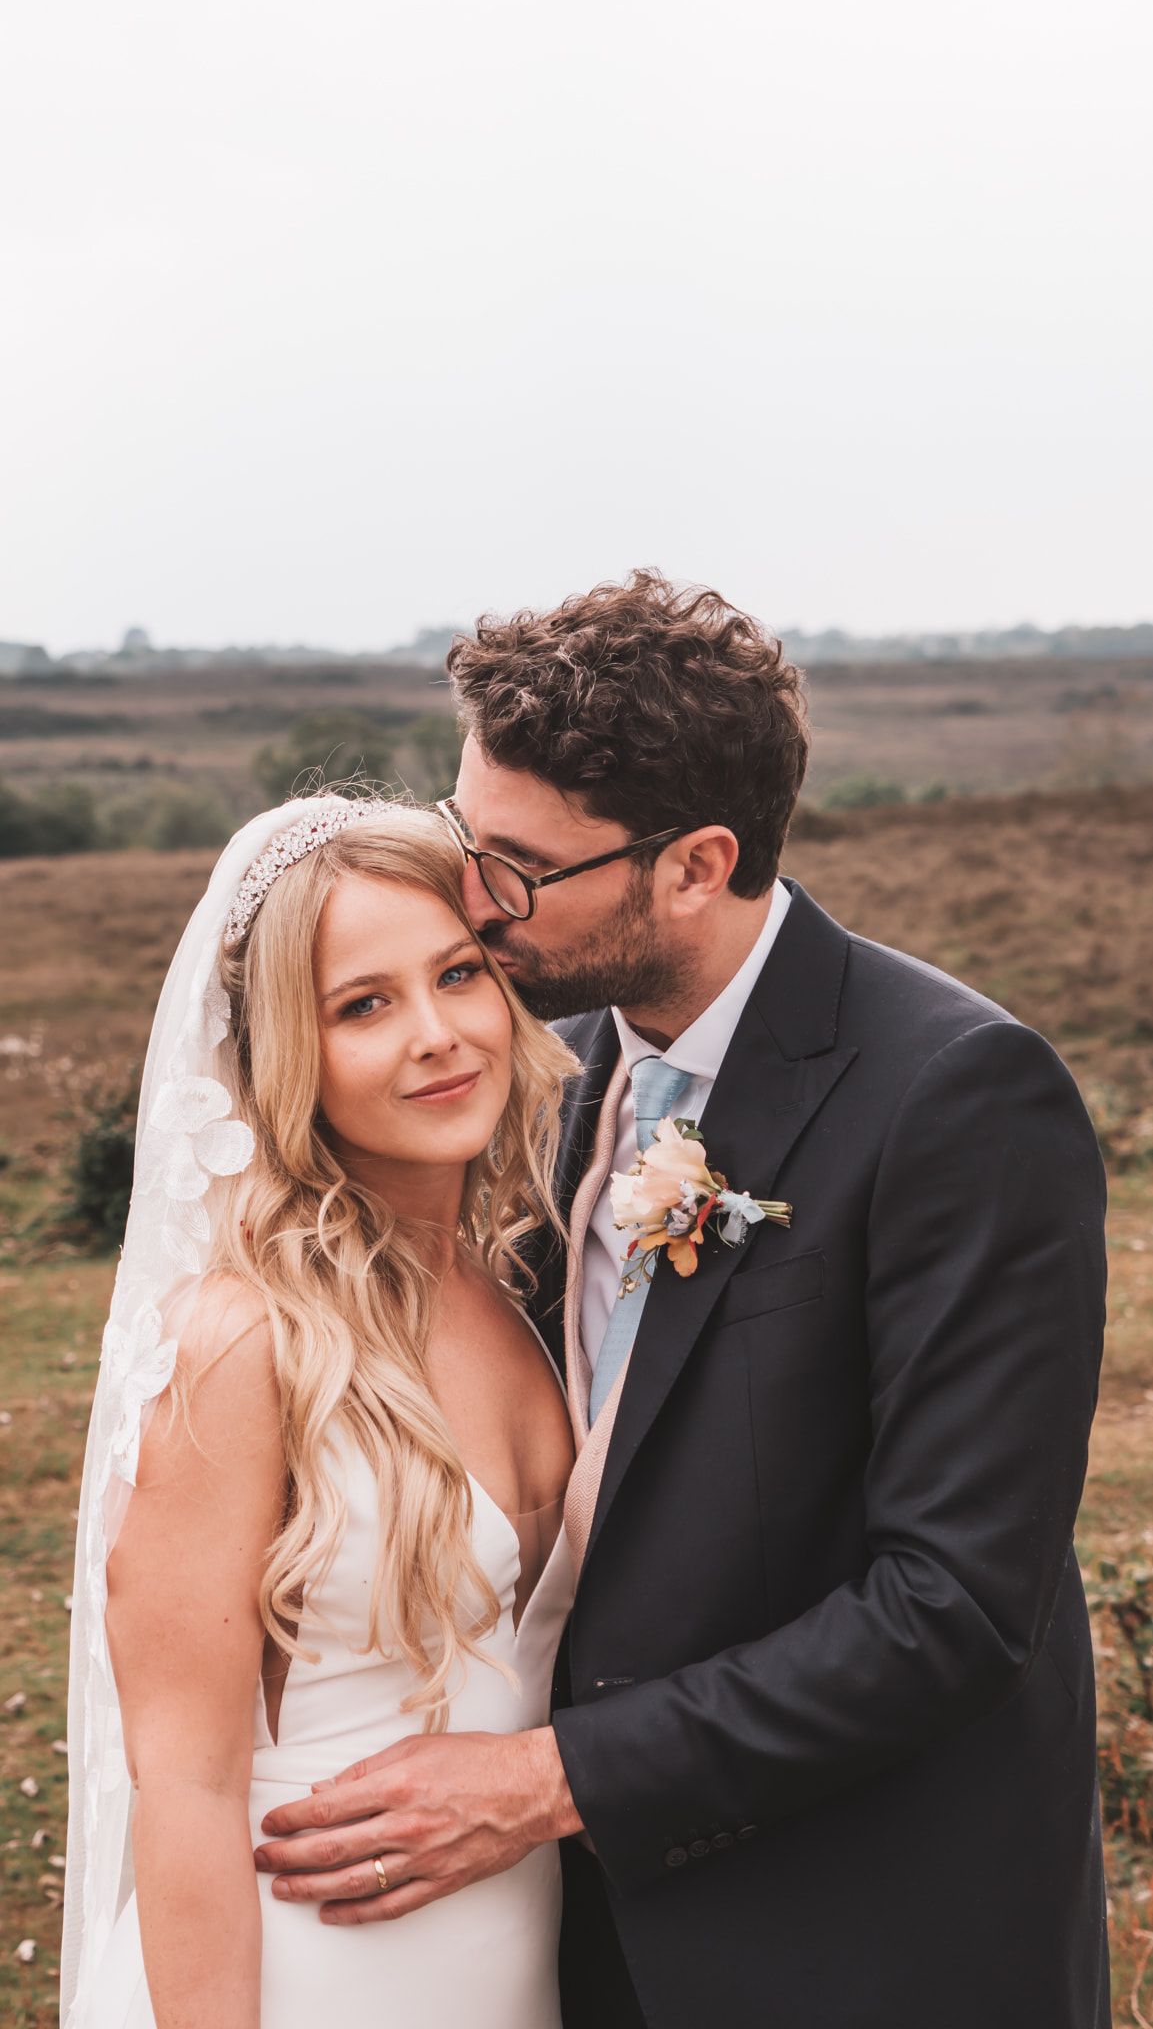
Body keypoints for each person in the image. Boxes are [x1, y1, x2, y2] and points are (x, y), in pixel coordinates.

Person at [259, 573, 1110, 2029]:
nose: (475, 899)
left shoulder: (957, 1098)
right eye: (471, 840)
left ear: (695, 864)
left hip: (863, 1945)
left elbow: (953, 1606)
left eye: (521, 866)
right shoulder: (542, 1071)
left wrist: (547, 1782)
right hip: (574, 1943)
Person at [61, 795, 579, 2029]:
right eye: (364, 1003)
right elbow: (179, 1785)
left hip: (508, 1951)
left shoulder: (513, 1284)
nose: (438, 1034)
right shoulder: (245, 1339)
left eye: (458, 973)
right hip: (298, 1969)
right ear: (287, 1049)